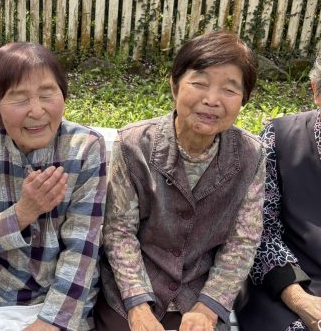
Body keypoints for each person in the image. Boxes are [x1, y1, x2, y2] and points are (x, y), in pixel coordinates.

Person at [97, 32, 265, 331]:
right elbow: (119, 231)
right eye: (199, 83)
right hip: (132, 290)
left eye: (229, 90)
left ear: (243, 100)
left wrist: (208, 307)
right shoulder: (134, 145)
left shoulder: (251, 155)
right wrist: (138, 306)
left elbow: (243, 241)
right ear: (174, 86)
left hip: (199, 292)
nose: (211, 100)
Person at [0, 42, 107, 331]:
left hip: (62, 300)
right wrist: (24, 212)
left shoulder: (85, 149)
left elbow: (82, 249)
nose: (37, 111)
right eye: (20, 98)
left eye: (47, 94)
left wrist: (49, 323)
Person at [235, 51, 321, 331]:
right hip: (287, 284)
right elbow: (258, 232)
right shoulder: (279, 139)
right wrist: (300, 299)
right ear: (316, 91)